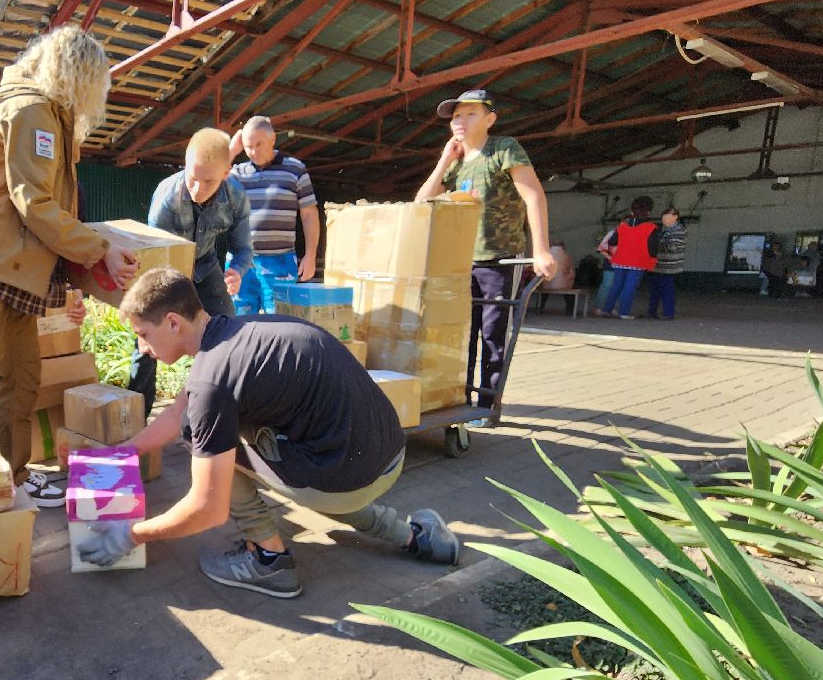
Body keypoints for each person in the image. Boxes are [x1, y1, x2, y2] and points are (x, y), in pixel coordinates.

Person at [77, 268, 459, 597]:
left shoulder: (213, 380)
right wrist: (119, 454)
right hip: (386, 456)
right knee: (217, 423)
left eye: (144, 334)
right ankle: (413, 536)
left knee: (207, 440)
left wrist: (130, 536)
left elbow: (206, 509)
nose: (142, 348)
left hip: (346, 482)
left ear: (173, 322)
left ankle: (269, 559)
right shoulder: (244, 330)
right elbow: (179, 407)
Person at [0, 24, 138, 507]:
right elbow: (33, 204)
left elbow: (43, 211)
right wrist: (98, 249)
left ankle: (7, 483)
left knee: (22, 383)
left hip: (13, 277)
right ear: (77, 75)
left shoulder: (49, 117)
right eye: (95, 82)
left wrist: (79, 269)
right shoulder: (32, 111)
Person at [414, 89, 555, 400]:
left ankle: (488, 403)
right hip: (462, 261)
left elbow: (533, 196)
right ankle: (459, 397)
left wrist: (541, 249)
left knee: (493, 335)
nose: (460, 121)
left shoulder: (504, 149)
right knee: (462, 334)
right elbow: (421, 203)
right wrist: (444, 160)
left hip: (500, 258)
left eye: (470, 114)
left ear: (490, 119)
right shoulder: (457, 161)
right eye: (456, 116)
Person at [128, 127, 253, 417]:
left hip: (206, 267)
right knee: (147, 340)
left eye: (207, 181)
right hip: (166, 270)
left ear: (225, 174)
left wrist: (236, 270)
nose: (196, 188)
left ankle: (224, 409)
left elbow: (244, 248)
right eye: (192, 177)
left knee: (228, 332)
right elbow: (155, 263)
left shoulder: (236, 198)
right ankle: (136, 414)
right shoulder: (166, 199)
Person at [227, 116, 319, 314]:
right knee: (237, 322)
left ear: (273, 139)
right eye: (248, 146)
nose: (253, 152)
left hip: (280, 262)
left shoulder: (295, 169)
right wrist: (231, 152)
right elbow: (209, 178)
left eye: (258, 144)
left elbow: (309, 214)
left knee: (279, 322)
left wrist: (310, 255)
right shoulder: (236, 173)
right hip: (241, 263)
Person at [594, 197, 659, 318]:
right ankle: (623, 312)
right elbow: (653, 248)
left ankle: (606, 309)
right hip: (638, 262)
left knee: (616, 285)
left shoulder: (623, 226)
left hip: (620, 261)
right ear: (649, 211)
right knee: (630, 287)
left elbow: (612, 242)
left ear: (632, 210)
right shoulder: (651, 228)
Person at [646, 207, 687, 320]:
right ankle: (651, 312)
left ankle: (668, 314)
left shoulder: (678, 230)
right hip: (658, 265)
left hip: (669, 266)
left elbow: (672, 247)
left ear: (675, 217)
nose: (664, 218)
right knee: (655, 290)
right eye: (663, 216)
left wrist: (655, 241)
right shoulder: (664, 229)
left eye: (667, 216)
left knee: (667, 290)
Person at [536, 241, 575, 313]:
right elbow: (571, 272)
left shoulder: (546, 257)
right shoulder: (566, 256)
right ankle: (569, 310)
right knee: (570, 293)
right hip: (562, 285)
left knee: (544, 291)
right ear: (563, 247)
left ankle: (540, 307)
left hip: (547, 284)